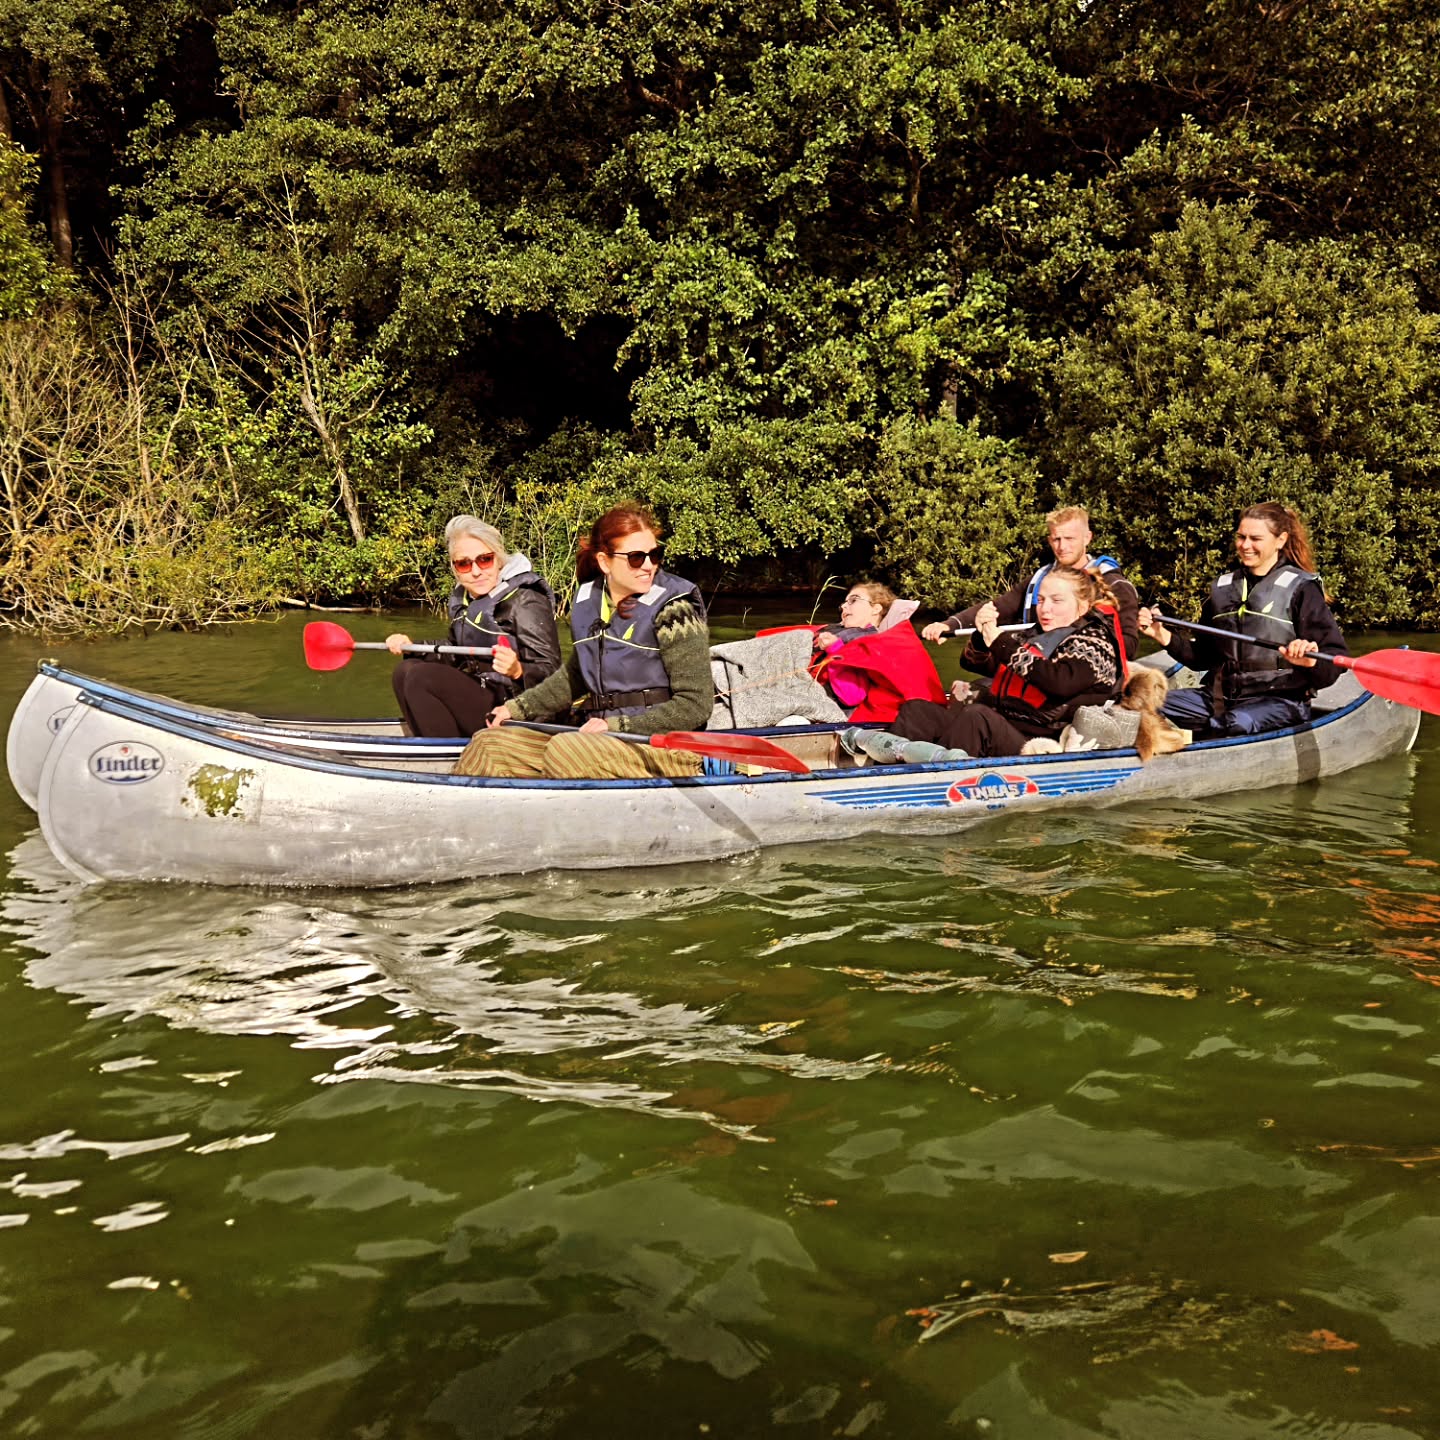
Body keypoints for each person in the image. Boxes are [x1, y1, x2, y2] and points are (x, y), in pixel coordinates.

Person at [454, 504, 713, 780]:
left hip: (662, 746)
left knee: (567, 751)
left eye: (654, 554)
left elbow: (695, 705)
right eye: (636, 558)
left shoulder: (676, 611)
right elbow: (573, 677)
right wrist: (515, 708)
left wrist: (618, 726)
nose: (648, 565)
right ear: (604, 562)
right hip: (596, 740)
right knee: (488, 745)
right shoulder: (591, 602)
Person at [853, 567, 1124, 761]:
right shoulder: (1035, 633)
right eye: (1041, 600)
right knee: (917, 710)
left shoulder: (1095, 643)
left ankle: (931, 779)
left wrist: (1000, 642)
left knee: (977, 717)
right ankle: (884, 772)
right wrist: (983, 635)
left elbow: (1059, 683)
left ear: (1083, 605)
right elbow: (976, 663)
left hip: (1039, 741)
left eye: (1056, 601)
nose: (1045, 609)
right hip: (1005, 723)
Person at [1137, 502, 1347, 736]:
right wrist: (1160, 634)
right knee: (1141, 703)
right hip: (1221, 698)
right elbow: (1203, 658)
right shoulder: (1222, 589)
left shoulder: (1302, 589)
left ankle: (1206, 737)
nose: (1245, 545)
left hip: (1279, 701)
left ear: (1280, 540)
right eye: (1241, 537)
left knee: (1235, 723)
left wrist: (1310, 662)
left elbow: (1334, 658)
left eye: (1255, 539)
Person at [385, 517, 561, 737]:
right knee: (405, 671)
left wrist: (518, 671)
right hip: (483, 690)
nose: (476, 571)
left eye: (485, 559)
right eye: (464, 564)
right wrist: (412, 646)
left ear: (499, 559)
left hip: (518, 707)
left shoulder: (526, 601)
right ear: (455, 568)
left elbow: (552, 671)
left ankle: (448, 753)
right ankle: (436, 745)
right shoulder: (467, 600)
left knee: (421, 677)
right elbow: (454, 651)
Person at [922, 505, 1141, 660]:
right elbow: (1000, 606)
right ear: (1049, 540)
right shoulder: (1042, 580)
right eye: (1056, 539)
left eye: (1070, 539)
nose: (1062, 546)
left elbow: (1129, 647)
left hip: (1083, 670)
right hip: (1038, 667)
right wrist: (950, 625)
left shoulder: (1115, 585)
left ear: (1087, 538)